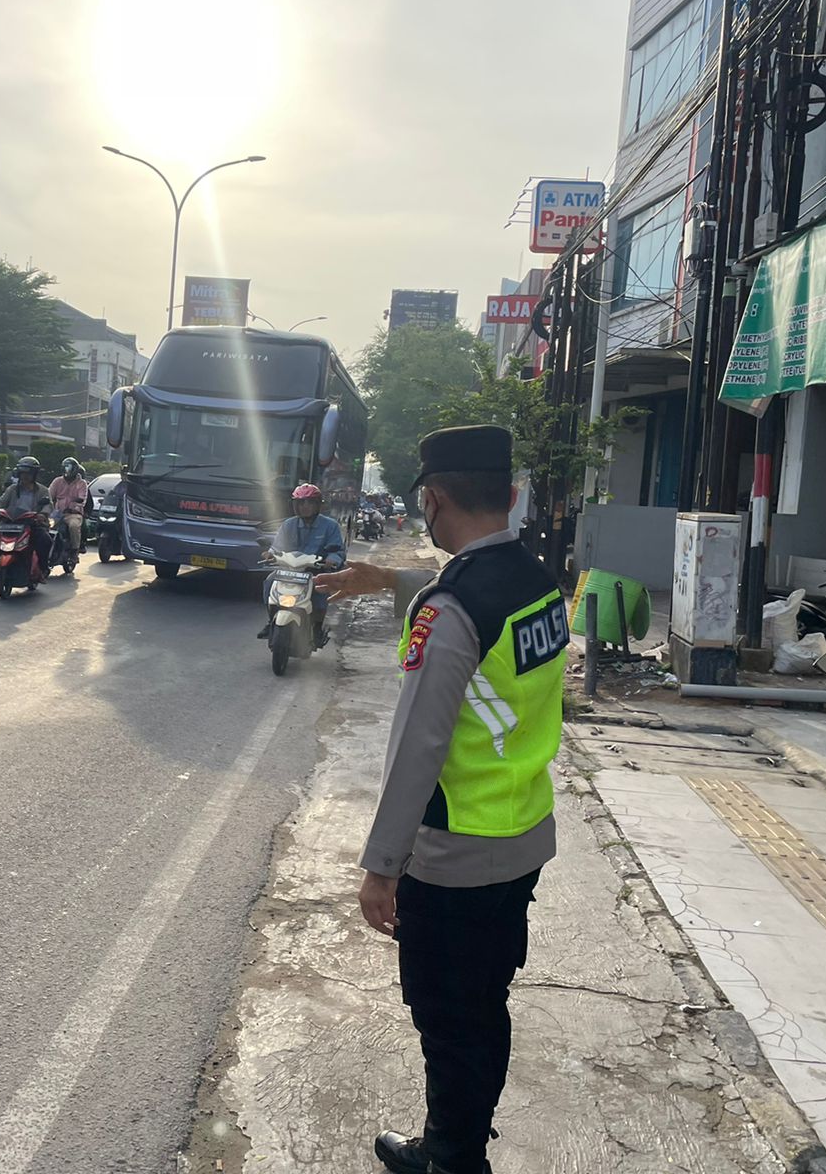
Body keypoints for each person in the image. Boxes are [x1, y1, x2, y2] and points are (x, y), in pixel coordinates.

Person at [313, 426, 569, 1174]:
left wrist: (381, 866)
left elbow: (418, 749)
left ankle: (452, 1160)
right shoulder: (540, 580)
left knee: (449, 1020)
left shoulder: (449, 609)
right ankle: (461, 1143)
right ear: (510, 495)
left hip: (456, 855)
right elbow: (480, 611)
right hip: (522, 834)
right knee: (484, 1005)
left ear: (431, 500)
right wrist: (389, 581)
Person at [258, 483, 346, 647]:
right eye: (300, 503)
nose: (304, 506)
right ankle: (271, 621)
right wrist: (270, 554)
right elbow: (277, 547)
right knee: (269, 582)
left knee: (320, 592)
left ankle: (317, 628)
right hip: (288, 570)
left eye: (309, 502)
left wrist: (332, 560)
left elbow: (337, 551)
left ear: (318, 505)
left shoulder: (330, 526)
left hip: (315, 571)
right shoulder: (288, 524)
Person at [0, 455, 54, 572]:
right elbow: (1, 502)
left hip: (33, 525)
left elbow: (49, 505)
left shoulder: (43, 490)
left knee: (45, 540)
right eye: (22, 473)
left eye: (28, 473)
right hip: (11, 524)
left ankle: (43, 567)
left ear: (34, 474)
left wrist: (43, 514)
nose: (25, 476)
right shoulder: (12, 489)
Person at [48, 458, 90, 565]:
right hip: (57, 513)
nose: (67, 471)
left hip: (73, 514)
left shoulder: (82, 483)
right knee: (44, 526)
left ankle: (74, 551)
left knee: (73, 526)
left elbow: (82, 499)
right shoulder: (57, 481)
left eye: (69, 468)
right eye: (65, 468)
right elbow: (49, 495)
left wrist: (73, 506)